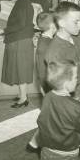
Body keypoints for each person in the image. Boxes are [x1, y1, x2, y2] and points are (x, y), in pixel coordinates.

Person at [0, 0, 35, 108]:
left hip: (21, 41)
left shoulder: (23, 3)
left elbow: (20, 24)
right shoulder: (22, 3)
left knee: (21, 69)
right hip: (19, 40)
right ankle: (21, 95)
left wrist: (4, 30)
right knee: (19, 68)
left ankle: (24, 98)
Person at [27, 12, 56, 152]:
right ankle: (35, 143)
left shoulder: (42, 40)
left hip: (45, 85)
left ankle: (34, 143)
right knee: (51, 116)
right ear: (52, 26)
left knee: (50, 115)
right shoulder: (49, 44)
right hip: (49, 86)